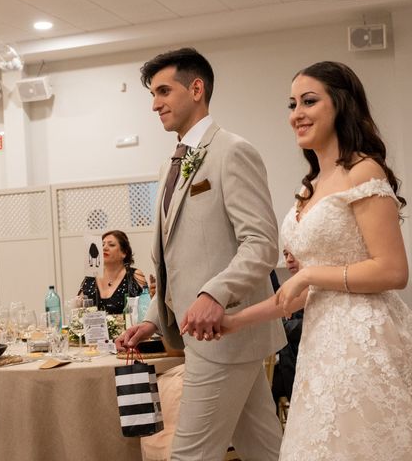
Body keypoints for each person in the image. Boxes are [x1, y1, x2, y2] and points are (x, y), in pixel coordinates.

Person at [206, 61, 412, 460]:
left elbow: (392, 270)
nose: (297, 113)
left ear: (341, 105)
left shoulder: (363, 170)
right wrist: (234, 322)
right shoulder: (309, 186)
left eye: (309, 101)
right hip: (321, 342)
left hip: (365, 338)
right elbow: (303, 293)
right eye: (292, 103)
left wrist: (312, 272)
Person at [116, 47, 285, 461]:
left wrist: (214, 294)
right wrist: (154, 318)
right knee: (264, 449)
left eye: (163, 91)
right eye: (152, 95)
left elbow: (261, 243)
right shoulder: (169, 165)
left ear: (196, 89)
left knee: (189, 455)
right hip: (205, 335)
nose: (155, 104)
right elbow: (180, 260)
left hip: (223, 333)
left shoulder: (232, 151)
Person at [77, 230, 147, 314]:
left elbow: (147, 307)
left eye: (111, 245)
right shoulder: (91, 276)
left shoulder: (135, 275)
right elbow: (78, 309)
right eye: (102, 245)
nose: (104, 248)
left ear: (124, 253)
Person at [271, 249, 303, 405]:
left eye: (294, 254)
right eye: (285, 255)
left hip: (299, 364)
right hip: (284, 362)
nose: (289, 259)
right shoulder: (283, 289)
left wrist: (283, 326)